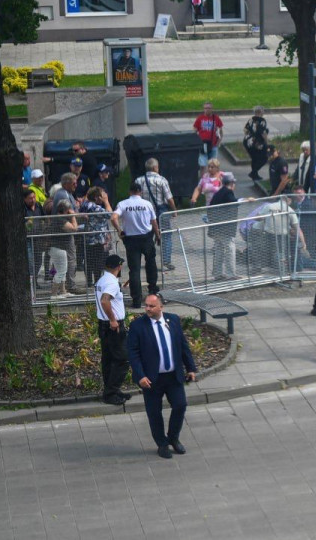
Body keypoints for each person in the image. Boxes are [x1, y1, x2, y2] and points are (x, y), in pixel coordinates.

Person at [127, 293, 197, 459]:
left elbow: (183, 345)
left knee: (180, 405)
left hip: (173, 376)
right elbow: (133, 353)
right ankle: (162, 443)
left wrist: (191, 368)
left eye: (151, 306)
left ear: (161, 307)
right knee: (154, 413)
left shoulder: (172, 320)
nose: (148, 309)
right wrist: (140, 375)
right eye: (146, 306)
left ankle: (173, 437)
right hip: (151, 379)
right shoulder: (138, 326)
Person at [111, 182, 161, 309]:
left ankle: (137, 300)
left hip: (131, 239)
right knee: (151, 264)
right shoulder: (147, 204)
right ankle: (153, 291)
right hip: (146, 237)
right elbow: (154, 222)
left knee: (134, 270)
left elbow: (113, 218)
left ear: (130, 191)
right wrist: (158, 235)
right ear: (140, 191)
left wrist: (119, 230)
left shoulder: (123, 204)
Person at [95, 254, 131, 406]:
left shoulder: (102, 279)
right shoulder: (111, 282)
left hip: (103, 325)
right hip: (113, 326)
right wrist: (113, 320)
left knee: (109, 359)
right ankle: (111, 393)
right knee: (123, 359)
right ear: (119, 267)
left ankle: (112, 390)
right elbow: (105, 300)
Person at [134, 158, 177, 271]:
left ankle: (149, 259)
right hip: (161, 212)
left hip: (145, 213)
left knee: (148, 236)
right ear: (155, 168)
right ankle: (166, 261)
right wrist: (174, 210)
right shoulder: (162, 180)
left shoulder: (139, 181)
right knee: (166, 235)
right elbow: (169, 198)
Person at [206, 175, 245, 281]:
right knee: (230, 248)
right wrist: (245, 200)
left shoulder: (218, 193)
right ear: (231, 184)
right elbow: (234, 202)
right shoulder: (228, 192)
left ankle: (218, 273)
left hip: (216, 227)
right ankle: (231, 274)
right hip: (225, 228)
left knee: (219, 249)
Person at [79, 187, 113, 287]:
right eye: (102, 195)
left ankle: (90, 280)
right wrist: (106, 202)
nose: (104, 197)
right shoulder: (94, 207)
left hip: (89, 238)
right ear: (96, 197)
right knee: (97, 261)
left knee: (89, 260)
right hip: (96, 239)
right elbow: (110, 215)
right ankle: (97, 282)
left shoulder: (85, 204)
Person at [47, 199, 78, 300]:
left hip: (59, 249)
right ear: (66, 210)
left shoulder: (59, 218)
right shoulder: (60, 220)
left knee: (62, 270)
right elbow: (74, 228)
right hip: (58, 249)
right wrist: (73, 216)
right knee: (61, 271)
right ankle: (54, 294)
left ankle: (63, 291)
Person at [23, 187, 46, 290]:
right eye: (30, 198)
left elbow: (44, 219)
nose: (32, 200)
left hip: (38, 238)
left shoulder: (38, 206)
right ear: (24, 199)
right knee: (30, 262)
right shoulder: (23, 208)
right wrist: (28, 224)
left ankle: (35, 281)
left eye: (33, 197)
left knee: (38, 261)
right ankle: (29, 284)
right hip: (27, 239)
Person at [193, 101, 223, 178]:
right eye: (205, 108)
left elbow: (221, 132)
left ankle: (213, 181)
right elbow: (194, 131)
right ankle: (203, 181)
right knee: (203, 165)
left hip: (213, 146)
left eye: (209, 108)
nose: (207, 110)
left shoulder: (216, 118)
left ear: (212, 109)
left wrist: (218, 143)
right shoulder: (200, 118)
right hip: (203, 145)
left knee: (213, 165)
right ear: (203, 109)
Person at [243, 106, 269, 181]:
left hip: (247, 142)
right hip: (257, 143)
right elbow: (263, 133)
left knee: (254, 158)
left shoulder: (251, 119)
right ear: (261, 112)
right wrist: (266, 143)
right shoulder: (262, 121)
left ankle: (255, 175)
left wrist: (250, 136)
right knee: (264, 158)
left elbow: (245, 130)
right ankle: (254, 172)